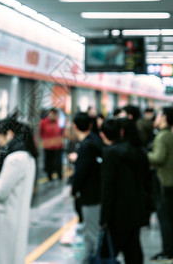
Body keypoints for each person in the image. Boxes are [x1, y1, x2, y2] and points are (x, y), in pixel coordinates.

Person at [0, 117, 37, 264]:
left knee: (1, 258)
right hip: (14, 219)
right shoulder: (28, 157)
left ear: (10, 134)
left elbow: (0, 191)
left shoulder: (15, 159)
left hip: (5, 221)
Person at [100, 119, 149, 264]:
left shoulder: (111, 153)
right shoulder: (140, 152)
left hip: (117, 213)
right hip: (137, 210)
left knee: (108, 253)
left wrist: (104, 218)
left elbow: (108, 189)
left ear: (121, 132)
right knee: (133, 250)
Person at [148, 107, 173, 262]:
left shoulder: (162, 137)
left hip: (163, 181)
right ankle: (170, 250)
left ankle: (167, 252)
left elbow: (159, 158)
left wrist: (144, 155)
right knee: (172, 217)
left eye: (159, 114)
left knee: (165, 220)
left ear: (165, 117)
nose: (157, 117)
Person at [71, 112, 103, 263]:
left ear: (75, 126)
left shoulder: (86, 146)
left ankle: (93, 259)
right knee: (92, 229)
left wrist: (74, 190)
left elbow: (81, 172)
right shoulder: (95, 141)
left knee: (91, 232)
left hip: (90, 194)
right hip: (97, 191)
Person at [39, 108, 64, 181]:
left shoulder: (59, 121)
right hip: (48, 146)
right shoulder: (43, 122)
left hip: (58, 146)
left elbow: (62, 132)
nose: (52, 116)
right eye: (51, 114)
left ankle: (59, 174)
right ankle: (49, 175)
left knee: (58, 161)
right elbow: (41, 133)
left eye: (54, 114)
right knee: (48, 161)